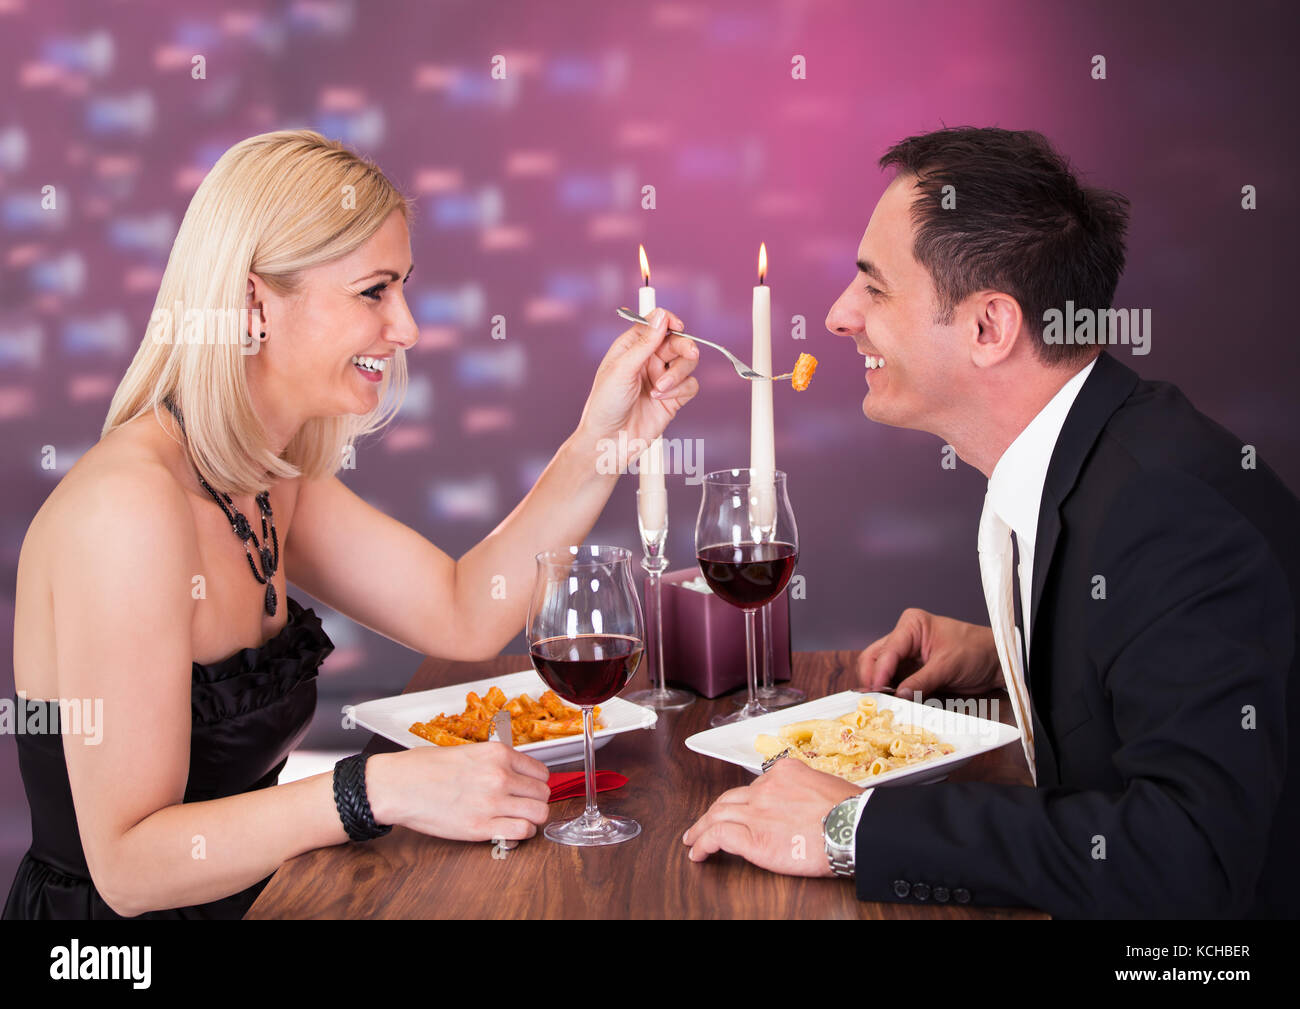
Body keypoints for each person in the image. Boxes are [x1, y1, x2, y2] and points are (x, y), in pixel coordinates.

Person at [5, 129, 700, 920]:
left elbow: (464, 609)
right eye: (374, 291)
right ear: (252, 301)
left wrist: (603, 440)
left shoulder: (265, 478)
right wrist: (377, 788)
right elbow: (129, 867)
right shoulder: (127, 511)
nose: (406, 328)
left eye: (401, 288)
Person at [682, 126, 1299, 919]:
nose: (839, 316)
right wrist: (1010, 649)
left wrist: (852, 828)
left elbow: (1189, 857)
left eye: (873, 287)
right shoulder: (1098, 451)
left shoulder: (1166, 509)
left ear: (988, 327)